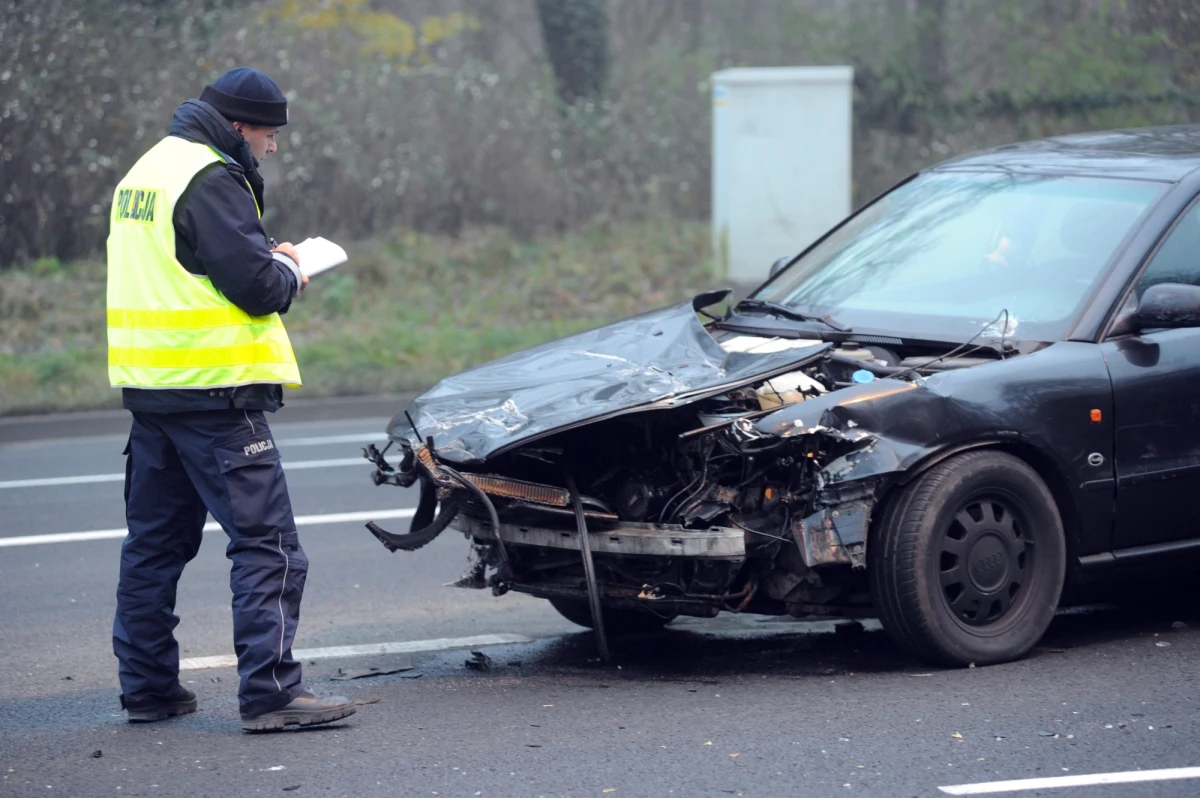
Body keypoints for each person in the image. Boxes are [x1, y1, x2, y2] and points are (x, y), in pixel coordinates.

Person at [106, 67, 354, 732]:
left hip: (153, 392)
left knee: (154, 548)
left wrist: (256, 255)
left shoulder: (149, 170)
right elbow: (256, 289)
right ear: (240, 126)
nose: (271, 147)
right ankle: (272, 694)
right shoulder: (212, 176)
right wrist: (291, 267)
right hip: (216, 396)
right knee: (268, 546)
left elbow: (188, 266)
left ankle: (149, 687)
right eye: (269, 134)